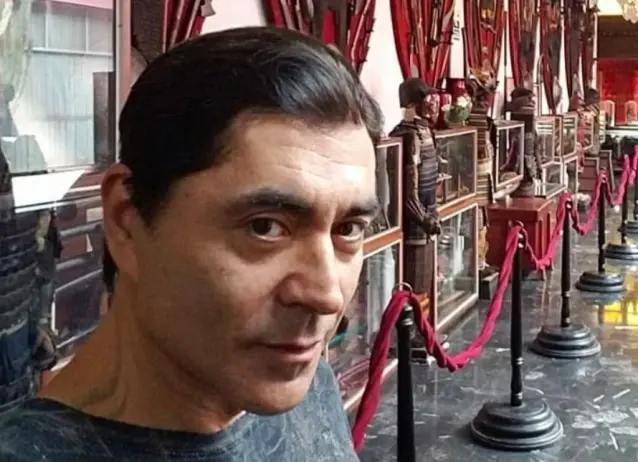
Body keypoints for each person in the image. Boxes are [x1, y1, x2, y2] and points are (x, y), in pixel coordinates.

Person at [0, 26, 383, 461]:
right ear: (127, 220)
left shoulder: (309, 386)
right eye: (264, 227)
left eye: (348, 229)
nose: (327, 295)